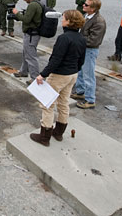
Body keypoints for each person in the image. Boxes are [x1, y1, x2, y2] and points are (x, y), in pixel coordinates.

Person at [30, 10, 86, 146]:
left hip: (60, 75)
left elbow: (56, 60)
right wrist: (75, 70)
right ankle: (58, 133)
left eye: (64, 18)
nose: (62, 20)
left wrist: (42, 74)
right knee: (63, 103)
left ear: (69, 22)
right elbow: (81, 60)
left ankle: (44, 137)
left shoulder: (64, 38)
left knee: (47, 104)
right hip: (72, 74)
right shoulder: (81, 38)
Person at [71, 0, 106, 109]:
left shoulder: (99, 22)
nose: (83, 6)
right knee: (80, 72)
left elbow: (94, 40)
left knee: (88, 75)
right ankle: (80, 92)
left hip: (89, 50)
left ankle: (90, 100)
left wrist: (78, 41)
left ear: (93, 8)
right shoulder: (87, 16)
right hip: (83, 49)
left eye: (86, 5)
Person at [11, 0, 43, 81]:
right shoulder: (38, 3)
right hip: (32, 33)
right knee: (26, 53)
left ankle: (35, 78)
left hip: (31, 34)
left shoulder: (33, 5)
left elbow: (26, 19)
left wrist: (17, 13)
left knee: (31, 56)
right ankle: (23, 71)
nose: (24, 0)